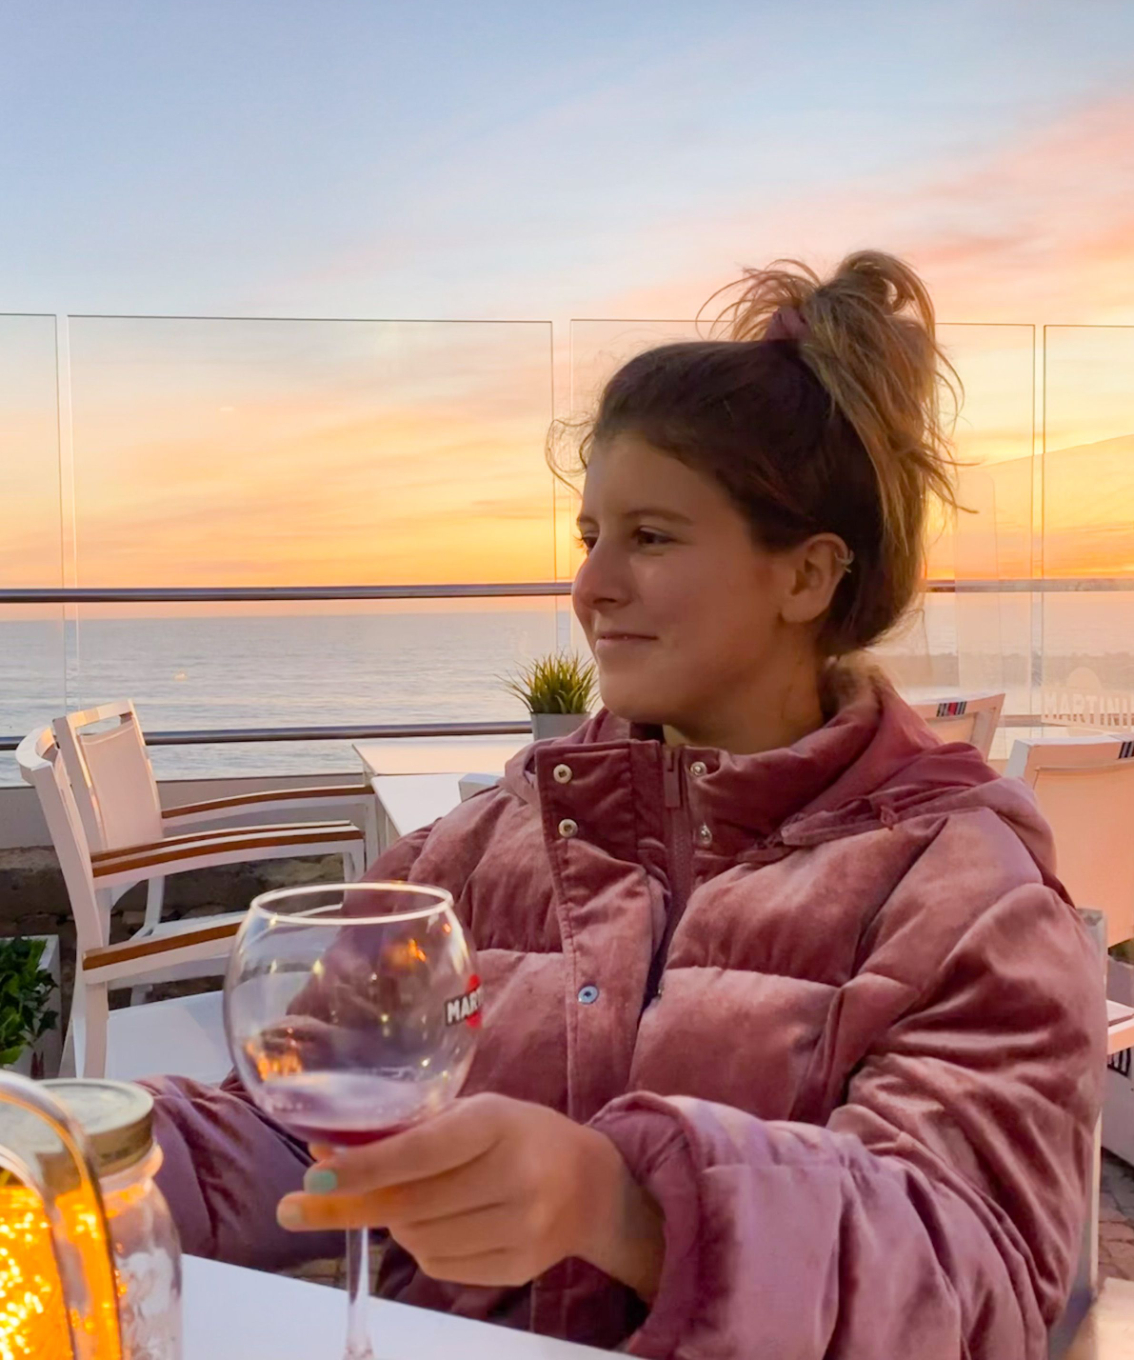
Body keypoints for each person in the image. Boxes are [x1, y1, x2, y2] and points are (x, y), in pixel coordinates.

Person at [144, 251, 1105, 1359]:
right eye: (590, 536)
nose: (591, 586)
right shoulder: (478, 853)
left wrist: (628, 1207)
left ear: (806, 576)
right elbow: (297, 1127)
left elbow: (969, 1280)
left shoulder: (964, 898)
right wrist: (87, 1153)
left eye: (650, 537)